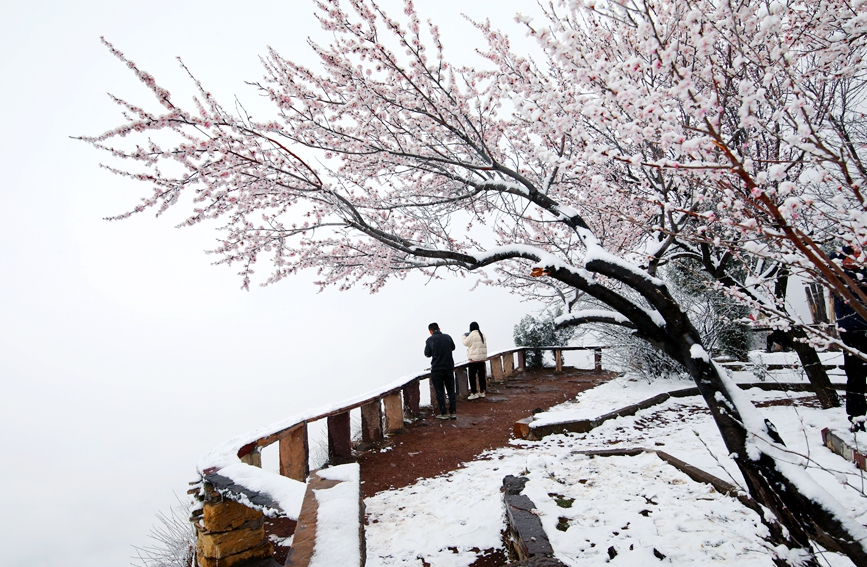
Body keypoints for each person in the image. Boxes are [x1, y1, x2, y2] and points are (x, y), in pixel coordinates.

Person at [834, 246, 867, 431]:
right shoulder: (839, 273)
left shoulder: (864, 273)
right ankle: (857, 417)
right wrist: (845, 252)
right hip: (851, 331)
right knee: (855, 376)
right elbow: (826, 261)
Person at [425, 322, 457, 420]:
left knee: (439, 392)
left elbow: (427, 354)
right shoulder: (447, 337)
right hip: (448, 367)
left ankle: (443, 413)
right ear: (439, 328)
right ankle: (453, 412)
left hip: (437, 369)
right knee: (451, 390)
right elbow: (453, 348)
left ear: (430, 331)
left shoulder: (430, 340)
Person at [461, 321, 488, 400]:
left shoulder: (472, 335)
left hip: (474, 360)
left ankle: (474, 393)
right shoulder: (482, 335)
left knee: (472, 377)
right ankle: (482, 391)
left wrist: (463, 336)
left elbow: (466, 343)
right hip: (481, 359)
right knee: (481, 376)